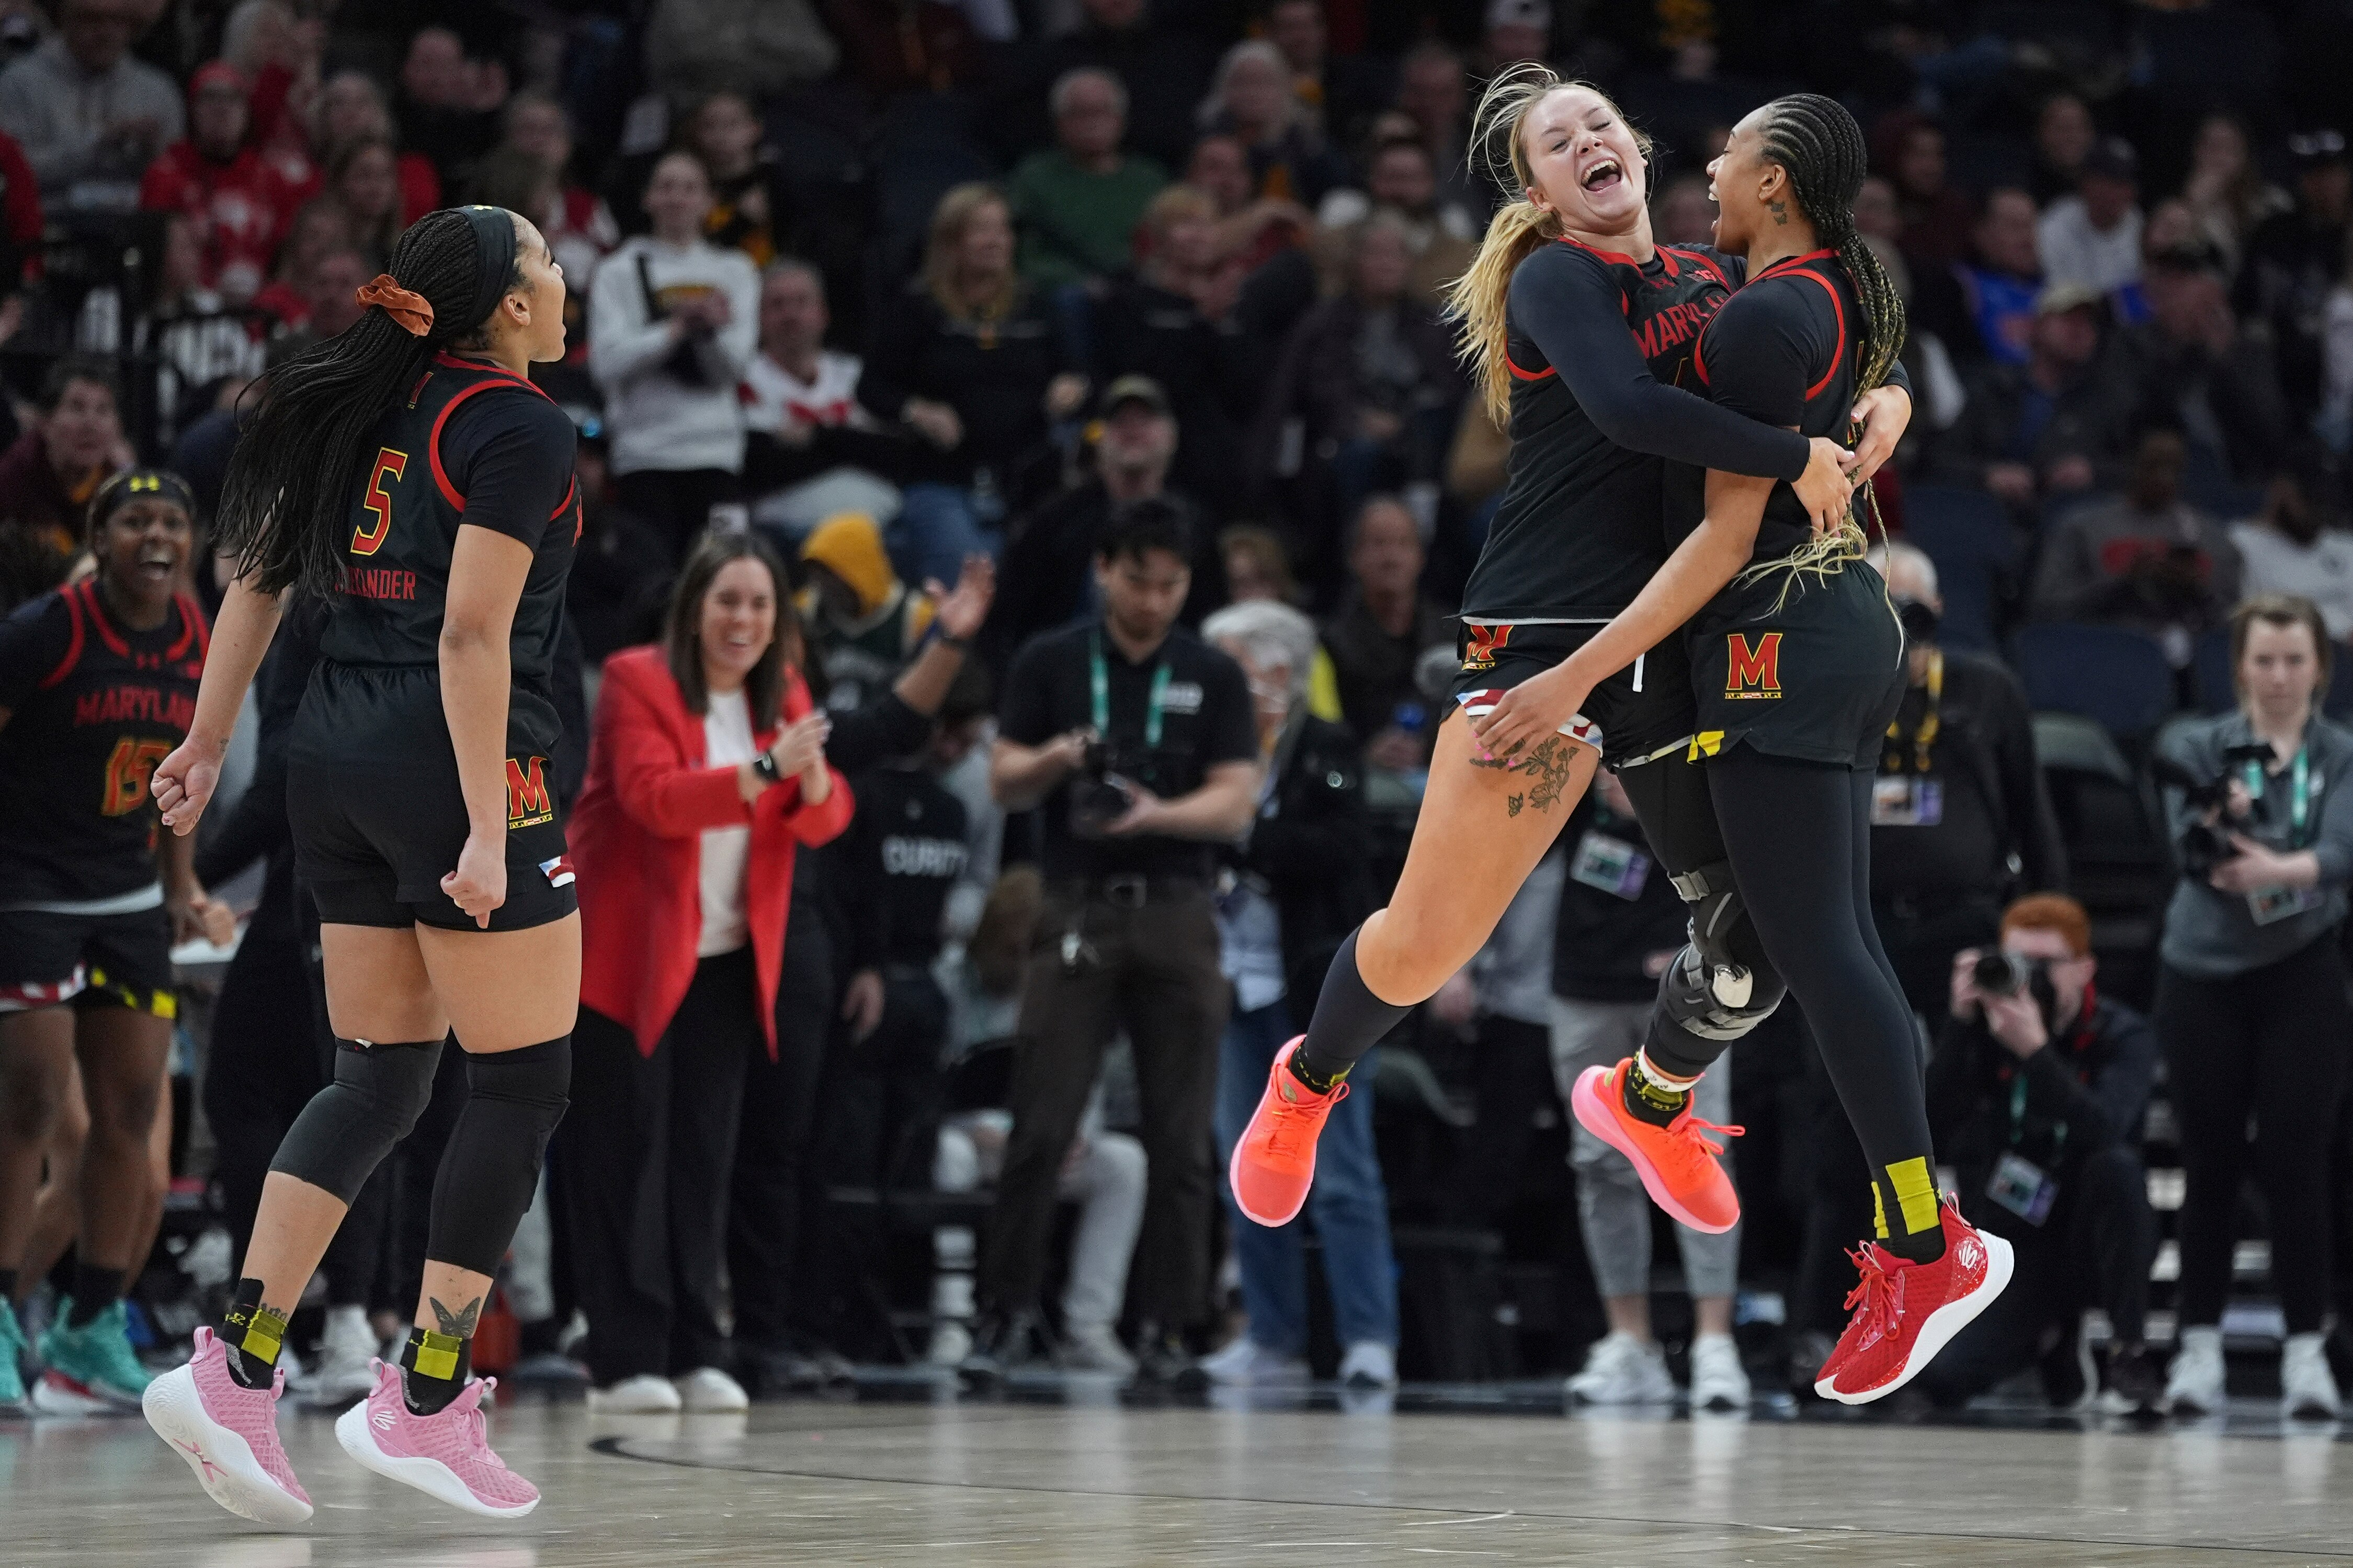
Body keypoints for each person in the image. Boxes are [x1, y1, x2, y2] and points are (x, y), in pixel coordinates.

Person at [1224, 67, 1893, 1303]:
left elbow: (1832, 349)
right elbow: (1635, 412)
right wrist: (1800, 452)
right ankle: (1305, 1082)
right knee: (1424, 948)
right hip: (1539, 646)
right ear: (1535, 190)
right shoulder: (1553, 278)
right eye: (1555, 140)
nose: (1587, 140)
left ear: (1634, 149)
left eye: (1598, 122)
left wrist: (1879, 402)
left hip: (1672, 647)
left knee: (1756, 936)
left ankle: (1654, 1101)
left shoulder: (1713, 280)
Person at [1458, 89, 2008, 1406]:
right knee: (1774, 940)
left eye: (1728, 152)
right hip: (1810, 623)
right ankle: (1650, 1097)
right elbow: (1861, 390)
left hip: (1770, 623)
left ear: (1772, 182)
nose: (1704, 160)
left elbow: (1714, 527)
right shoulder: (1822, 281)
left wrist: (1577, 675)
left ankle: (1926, 1245)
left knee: (1814, 946)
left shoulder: (1756, 313)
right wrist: (1864, 423)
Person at [140, 203, 577, 1524]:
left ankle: (234, 1363)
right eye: (548, 267)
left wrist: (208, 743)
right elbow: (469, 638)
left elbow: (256, 577)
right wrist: (491, 829)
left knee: (380, 1077)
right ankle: (428, 1396)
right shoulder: (516, 424)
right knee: (524, 1079)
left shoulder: (356, 401)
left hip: (322, 758)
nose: (563, 285)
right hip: (449, 763)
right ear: (504, 305)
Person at [963, 500, 1259, 1388]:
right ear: (1104, 568)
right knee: (1042, 1120)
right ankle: (1007, 1314)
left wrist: (1154, 814)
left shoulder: (1212, 670)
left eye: (1171, 584)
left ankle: (1172, 1325)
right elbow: (1003, 778)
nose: (1154, 599)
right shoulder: (1052, 658)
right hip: (1077, 904)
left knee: (1182, 1135)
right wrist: (1062, 754)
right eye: (1138, 579)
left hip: (1177, 905)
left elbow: (1236, 797)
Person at [562, 532, 851, 1413]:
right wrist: (769, 769)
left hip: (727, 960)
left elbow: (828, 812)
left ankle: (696, 1344)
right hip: (625, 960)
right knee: (623, 1157)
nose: (744, 619)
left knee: (700, 1158)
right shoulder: (634, 678)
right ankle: (621, 1353)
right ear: (694, 606)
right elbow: (654, 798)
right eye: (728, 599)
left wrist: (800, 782)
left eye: (760, 604)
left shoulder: (782, 691)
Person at [0, 470, 232, 1415]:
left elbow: (185, 769)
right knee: (29, 1102)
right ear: (102, 535)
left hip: (130, 891)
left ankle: (90, 1325)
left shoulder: (196, 637)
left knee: (134, 1107)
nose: (157, 533)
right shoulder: (46, 630)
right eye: (135, 517)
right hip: (31, 889)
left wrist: (181, 889)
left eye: (173, 519)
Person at [2153, 594, 2353, 1420]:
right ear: (2238, 666)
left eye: (2292, 660)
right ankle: (2195, 1345)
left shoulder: (2337, 752)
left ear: (2318, 668)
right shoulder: (2196, 745)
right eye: (2263, 660)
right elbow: (2187, 849)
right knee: (2209, 1162)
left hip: (2300, 968)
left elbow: (2340, 851)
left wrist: (2278, 866)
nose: (2277, 677)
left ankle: (2305, 1346)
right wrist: (2220, 826)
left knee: (2295, 1161)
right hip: (2199, 972)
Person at [1199, 599, 1396, 1390]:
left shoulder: (1327, 747)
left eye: (1227, 669)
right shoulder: (1210, 753)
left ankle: (1368, 1337)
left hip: (1320, 993)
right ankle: (1270, 1337)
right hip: (1235, 980)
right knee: (1240, 1165)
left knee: (1343, 1173)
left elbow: (1342, 852)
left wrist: (1248, 838)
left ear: (1275, 672)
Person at [1548, 770, 1747, 1410]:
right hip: (1583, 987)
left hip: (1685, 989)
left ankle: (1714, 1338)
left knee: (1699, 1156)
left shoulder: (1691, 773)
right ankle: (1628, 1338)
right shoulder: (1574, 781)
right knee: (1599, 1163)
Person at [1918, 894, 2162, 1413]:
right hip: (2012, 1243)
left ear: (2083, 969)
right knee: (1939, 1381)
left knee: (2115, 1166)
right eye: (2014, 960)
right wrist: (1960, 1024)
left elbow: (2105, 1129)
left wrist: (2036, 1054)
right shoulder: (1987, 1030)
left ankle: (2127, 1351)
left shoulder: (2122, 1033)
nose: (2026, 976)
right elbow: (1928, 1130)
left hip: (2091, 1237)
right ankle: (2048, 1342)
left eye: (2043, 963)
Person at [1867, 542, 2067, 1017]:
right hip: (1865, 926)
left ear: (1937, 609)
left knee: (1966, 1068)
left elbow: (2032, 816)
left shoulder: (1986, 689)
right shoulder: (1835, 695)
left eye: (1912, 605)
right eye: (1883, 604)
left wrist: (2055, 931)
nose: (1900, 621)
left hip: (1965, 920)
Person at [857, 183, 1088, 587]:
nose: (996, 241)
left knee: (1069, 568)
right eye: (982, 230)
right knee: (969, 575)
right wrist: (917, 410)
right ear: (950, 242)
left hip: (1030, 478)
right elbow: (871, 388)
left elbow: (1081, 374)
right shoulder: (917, 309)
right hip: (943, 478)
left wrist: (1071, 386)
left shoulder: (1036, 307)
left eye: (1003, 230)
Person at [588, 151, 759, 560]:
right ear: (647, 199)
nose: (676, 199)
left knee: (721, 573)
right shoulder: (618, 271)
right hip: (644, 454)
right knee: (653, 580)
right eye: (665, 187)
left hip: (715, 454)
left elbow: (734, 367)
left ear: (707, 201)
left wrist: (707, 334)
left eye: (689, 188)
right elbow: (607, 363)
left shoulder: (734, 270)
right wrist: (676, 328)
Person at [984, 375, 1221, 669]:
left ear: (1172, 436)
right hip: (1063, 681)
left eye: (1145, 420)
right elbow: (1007, 621)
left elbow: (1211, 623)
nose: (1132, 431)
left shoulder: (1196, 525)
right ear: (1099, 438)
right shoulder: (1054, 522)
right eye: (1119, 422)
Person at [2029, 428, 2243, 661]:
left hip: (2189, 660)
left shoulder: (2213, 539)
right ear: (2133, 465)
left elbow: (2233, 625)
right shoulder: (2081, 528)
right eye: (2154, 466)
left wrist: (2196, 589)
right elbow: (2047, 609)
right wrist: (2125, 582)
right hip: (2105, 654)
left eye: (2174, 468)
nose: (2164, 478)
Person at [1929, 282, 2136, 518]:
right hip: (1991, 515)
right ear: (2036, 326)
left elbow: (2138, 466)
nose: (2079, 330)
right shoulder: (1995, 390)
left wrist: (2094, 473)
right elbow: (1940, 460)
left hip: (2072, 517)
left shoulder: (2109, 398)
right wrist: (1988, 475)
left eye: (2089, 323)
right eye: (2068, 319)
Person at [139, 61, 303, 305]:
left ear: (247, 112)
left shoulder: (271, 179)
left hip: (263, 310)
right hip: (189, 310)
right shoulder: (165, 175)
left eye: (233, 98)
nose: (221, 108)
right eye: (209, 98)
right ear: (192, 111)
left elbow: (293, 252)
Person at [0, 0, 183, 212]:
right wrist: (96, 144)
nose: (105, 33)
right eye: (92, 20)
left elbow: (180, 178)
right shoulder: (19, 84)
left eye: (117, 22)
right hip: (52, 224)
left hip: (136, 225)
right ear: (66, 21)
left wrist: (153, 153)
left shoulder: (158, 91)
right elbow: (12, 172)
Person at [1320, 495, 1449, 768]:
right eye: (1378, 544)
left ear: (1420, 557)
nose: (1391, 558)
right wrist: (1364, 755)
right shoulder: (1330, 644)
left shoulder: (1454, 634)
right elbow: (1324, 732)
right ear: (1354, 557)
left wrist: (1429, 751)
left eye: (1403, 544)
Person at [1009, 67, 1166, 292]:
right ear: (1060, 122)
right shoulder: (1033, 178)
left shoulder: (1150, 180)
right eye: (1080, 113)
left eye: (1102, 112)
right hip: (1062, 296)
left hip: (1138, 292)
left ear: (1120, 120)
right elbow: (1022, 250)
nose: (1092, 122)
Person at [0, 356, 131, 611]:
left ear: (117, 428)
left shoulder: (122, 488)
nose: (91, 424)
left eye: (103, 411)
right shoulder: (11, 483)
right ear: (45, 423)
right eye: (76, 408)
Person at [2232, 470, 2353, 640]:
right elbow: (2252, 618)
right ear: (2281, 491)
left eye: (2321, 504)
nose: (2315, 512)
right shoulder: (2240, 543)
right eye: (2308, 501)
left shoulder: (2344, 545)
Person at [2037, 139, 2143, 303]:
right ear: (2086, 182)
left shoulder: (2139, 226)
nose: (2119, 192)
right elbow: (2052, 293)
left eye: (2125, 183)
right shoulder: (2055, 225)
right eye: (2110, 182)